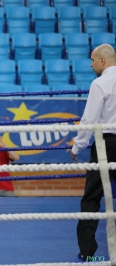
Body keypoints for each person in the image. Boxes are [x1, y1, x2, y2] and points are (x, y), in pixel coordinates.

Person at [70, 44, 116, 262]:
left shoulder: (100, 83)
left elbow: (89, 119)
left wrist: (77, 145)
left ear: (103, 61)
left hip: (107, 144)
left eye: (93, 60)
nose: (91, 64)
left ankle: (87, 253)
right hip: (106, 141)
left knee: (92, 197)